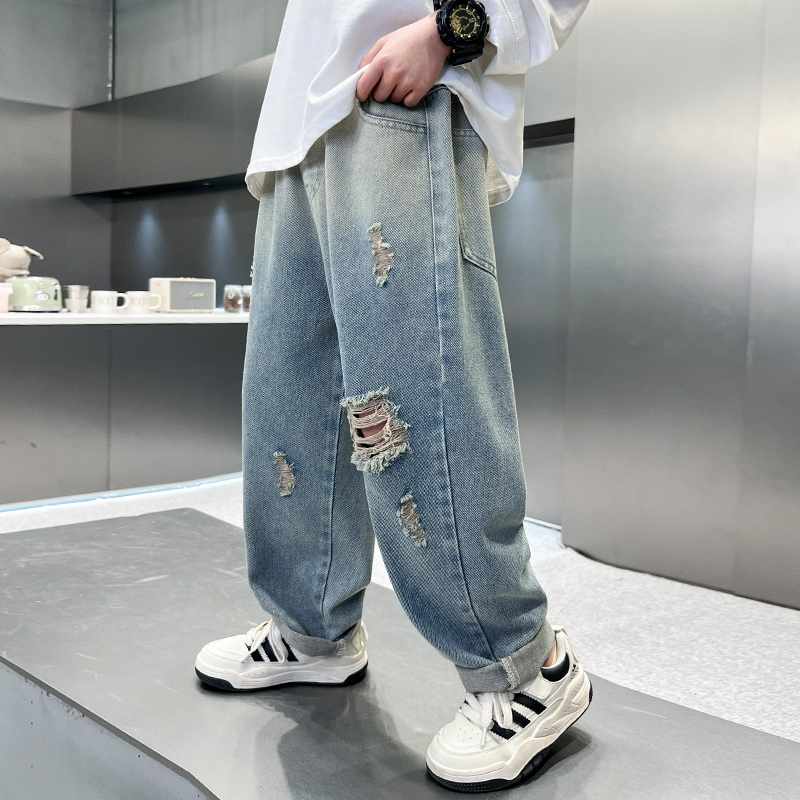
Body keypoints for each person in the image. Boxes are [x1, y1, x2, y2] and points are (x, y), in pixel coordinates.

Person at [195, 0, 592, 791]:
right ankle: (313, 629)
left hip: (403, 89)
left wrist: (454, 29)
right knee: (288, 401)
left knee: (416, 402)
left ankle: (526, 666)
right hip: (297, 125)